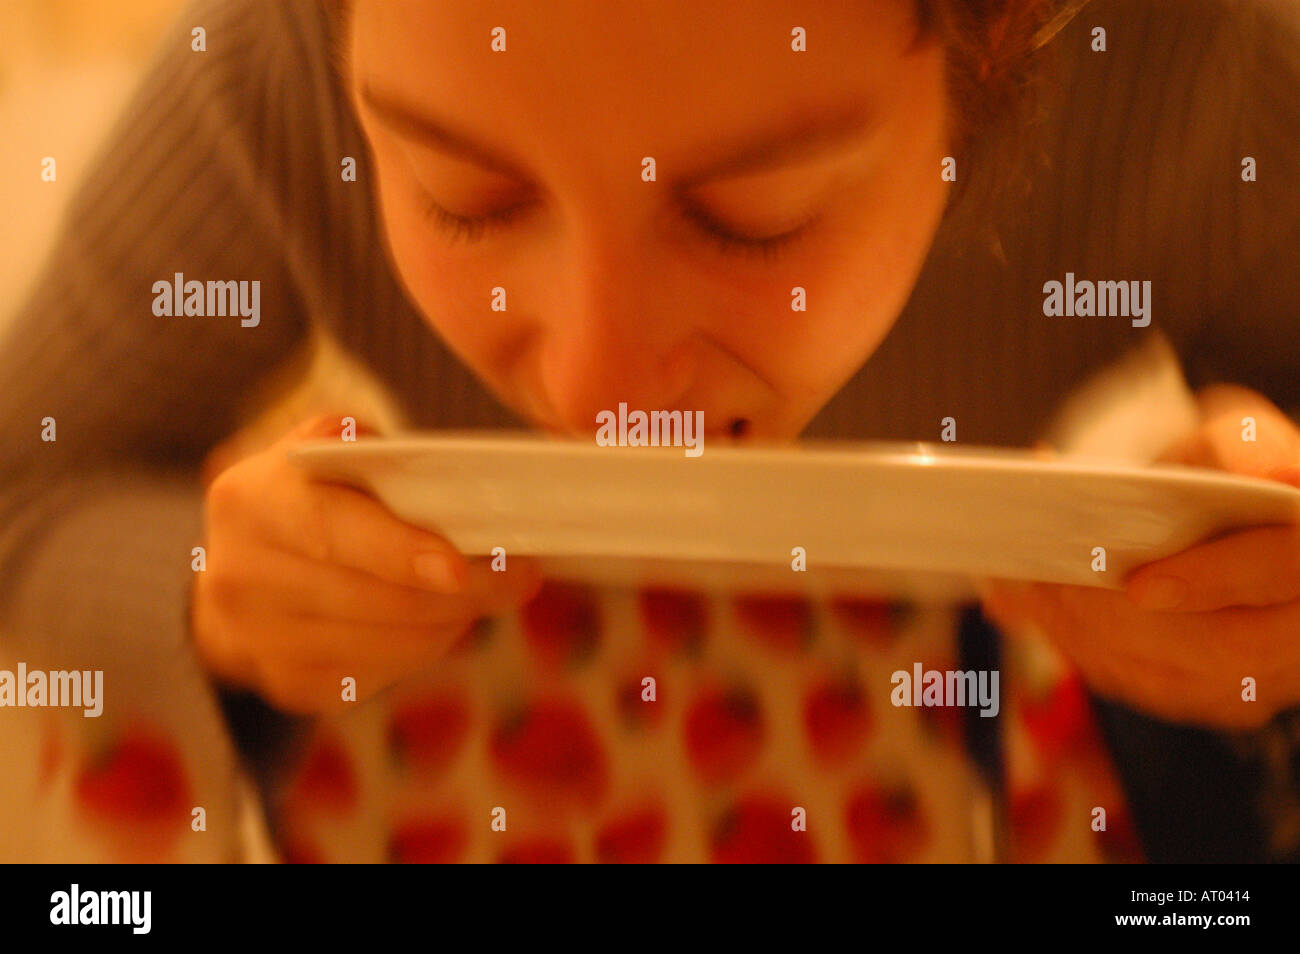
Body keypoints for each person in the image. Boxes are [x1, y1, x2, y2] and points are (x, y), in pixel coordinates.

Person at [1, 0, 1297, 862]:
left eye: (754, 217)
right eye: (466, 196)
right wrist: (213, 598)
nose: (596, 387)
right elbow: (26, 486)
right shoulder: (269, 65)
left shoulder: (1194, 67)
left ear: (1001, 63)